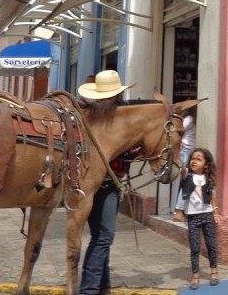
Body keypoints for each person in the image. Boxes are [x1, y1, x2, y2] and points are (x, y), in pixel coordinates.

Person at [77, 70, 133, 295]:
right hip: (104, 184)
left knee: (100, 235)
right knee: (104, 236)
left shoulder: (89, 116)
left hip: (94, 183)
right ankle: (89, 289)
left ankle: (103, 286)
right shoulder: (110, 121)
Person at [173, 148, 222, 290]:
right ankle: (195, 275)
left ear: (206, 164)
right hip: (193, 217)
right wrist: (178, 211)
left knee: (211, 245)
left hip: (207, 215)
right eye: (192, 158)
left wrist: (216, 212)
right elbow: (183, 194)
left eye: (198, 159)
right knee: (194, 247)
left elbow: (212, 196)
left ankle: (214, 271)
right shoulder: (187, 175)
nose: (194, 161)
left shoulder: (208, 179)